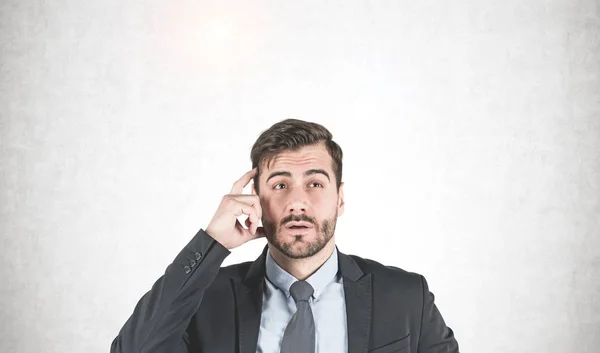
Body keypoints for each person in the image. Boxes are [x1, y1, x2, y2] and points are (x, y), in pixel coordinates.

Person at [110, 118, 459, 353]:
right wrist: (212, 243)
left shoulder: (406, 297)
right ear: (255, 198)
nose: (297, 202)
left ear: (339, 198)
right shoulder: (205, 298)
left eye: (315, 183)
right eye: (280, 185)